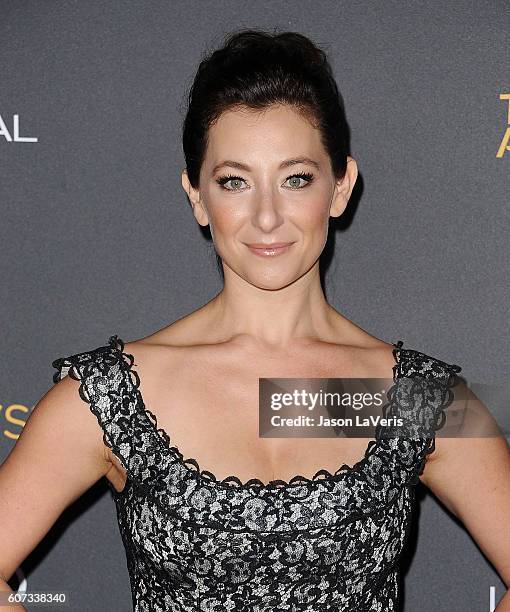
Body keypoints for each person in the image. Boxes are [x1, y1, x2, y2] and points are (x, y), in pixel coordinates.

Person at [1, 28, 509, 612]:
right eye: (234, 182)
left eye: (296, 178)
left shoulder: (414, 398)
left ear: (340, 186)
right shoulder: (110, 395)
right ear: (197, 197)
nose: (267, 217)